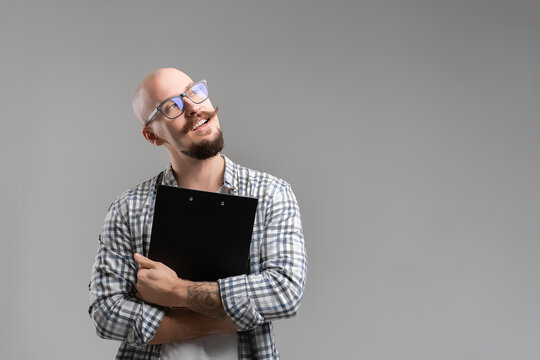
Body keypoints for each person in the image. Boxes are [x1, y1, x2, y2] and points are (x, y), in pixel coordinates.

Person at [88, 67, 307, 359]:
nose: (193, 107)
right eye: (172, 106)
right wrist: (222, 317)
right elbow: (106, 311)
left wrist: (176, 291)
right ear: (152, 135)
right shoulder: (128, 208)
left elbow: (284, 292)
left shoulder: (271, 193)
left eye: (194, 92)